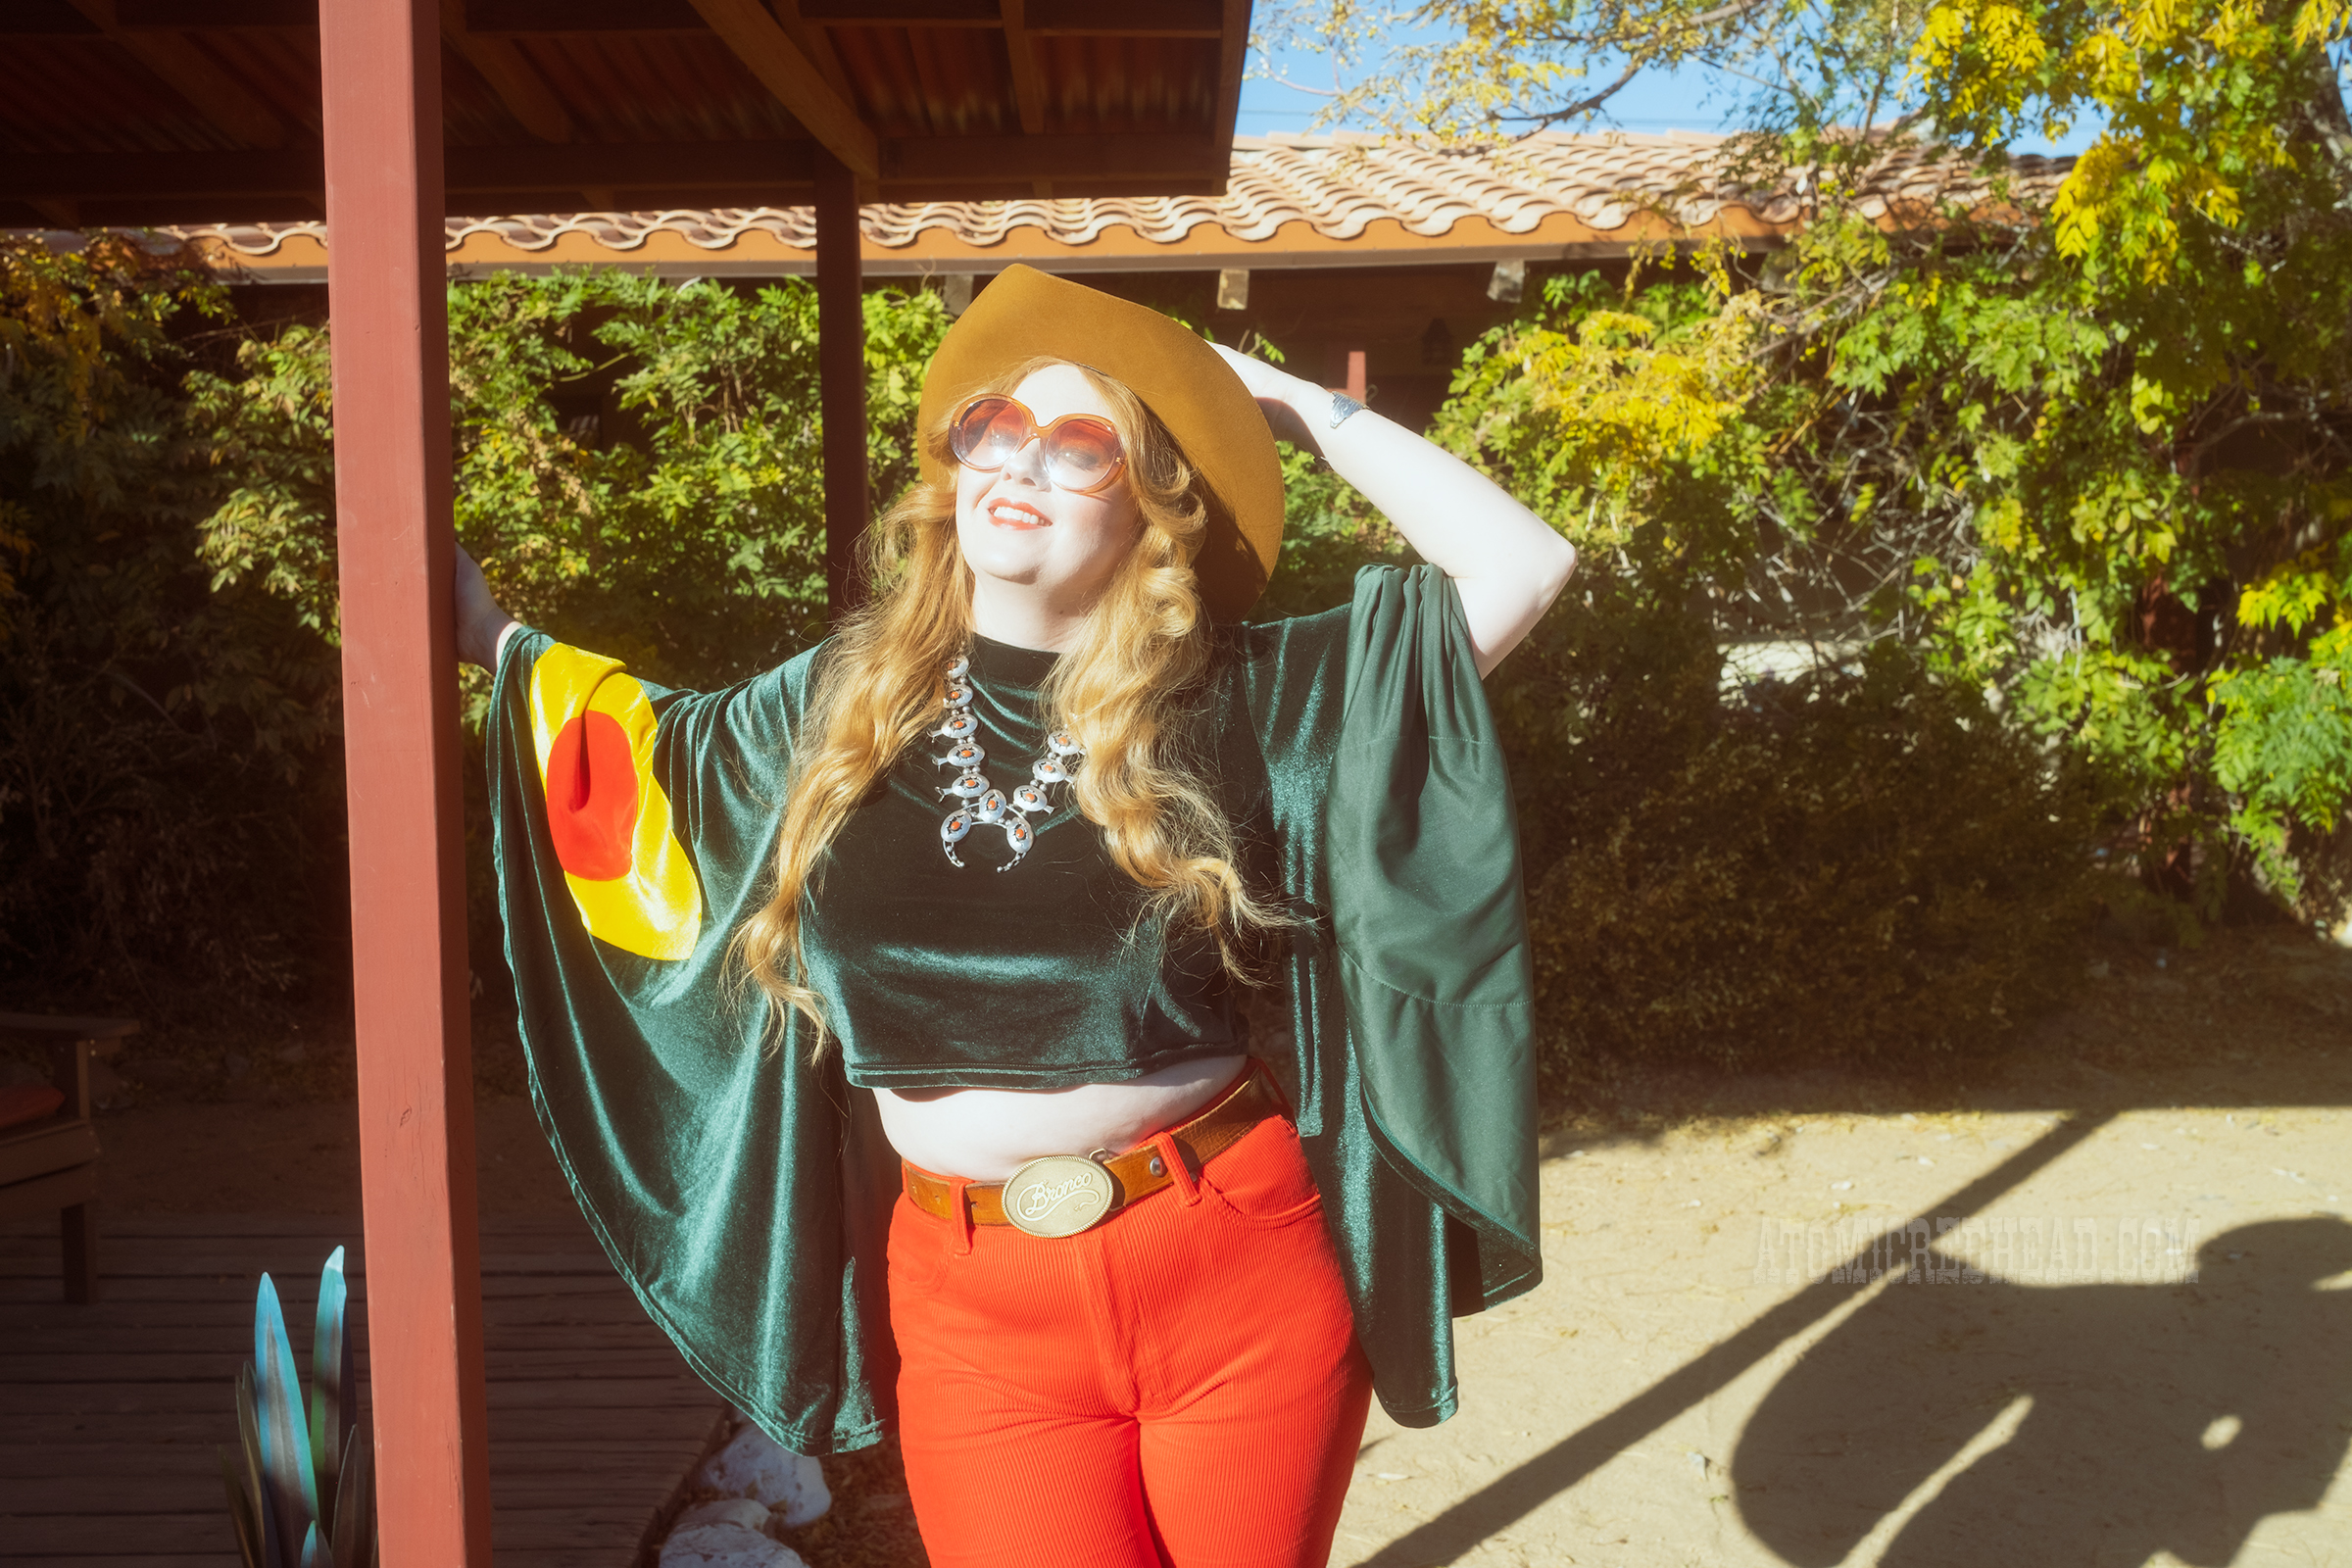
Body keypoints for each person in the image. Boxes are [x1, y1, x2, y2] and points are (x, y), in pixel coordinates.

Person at [455, 266, 1573, 1568]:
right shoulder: (838, 707)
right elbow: (639, 767)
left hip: (1232, 1263)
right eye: (994, 424)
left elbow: (1522, 563)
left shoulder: (1248, 696)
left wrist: (1269, 397)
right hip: (973, 1303)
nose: (1019, 461)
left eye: (1081, 441)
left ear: (1158, 509)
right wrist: (493, 638)